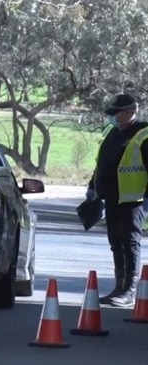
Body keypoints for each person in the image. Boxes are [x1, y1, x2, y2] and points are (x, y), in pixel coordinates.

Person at [86, 93, 148, 307]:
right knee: (116, 243)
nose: (112, 118)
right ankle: (118, 287)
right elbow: (101, 162)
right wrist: (92, 187)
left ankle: (129, 290)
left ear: (131, 111)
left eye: (116, 114)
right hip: (112, 197)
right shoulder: (112, 132)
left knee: (130, 243)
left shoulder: (143, 133)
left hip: (133, 199)